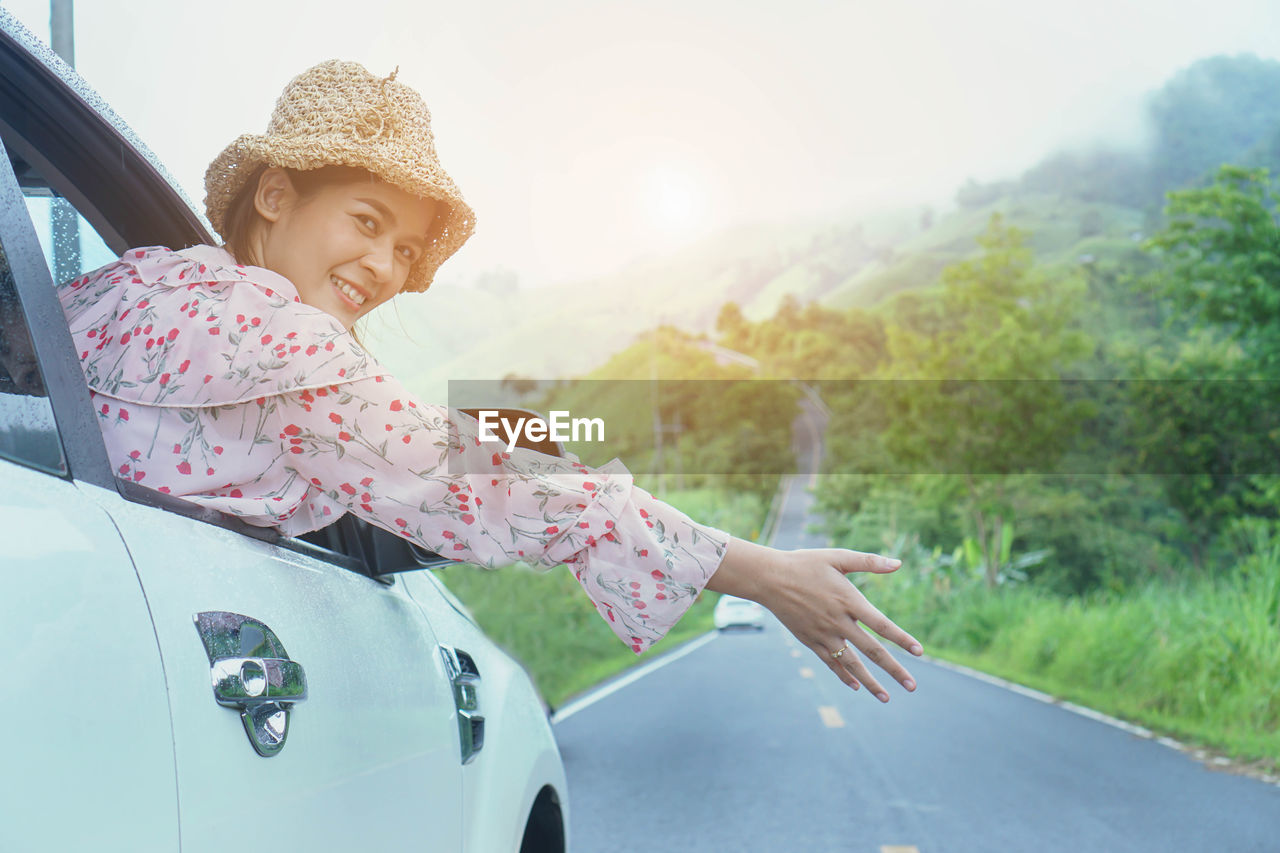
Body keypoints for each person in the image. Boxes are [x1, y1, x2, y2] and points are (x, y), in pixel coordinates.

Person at [57, 60, 922, 702]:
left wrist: (548, 432)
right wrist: (763, 570)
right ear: (277, 195)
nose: (385, 267)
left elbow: (445, 432)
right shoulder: (297, 355)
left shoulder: (133, 283)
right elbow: (477, 467)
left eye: (405, 248)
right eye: (368, 221)